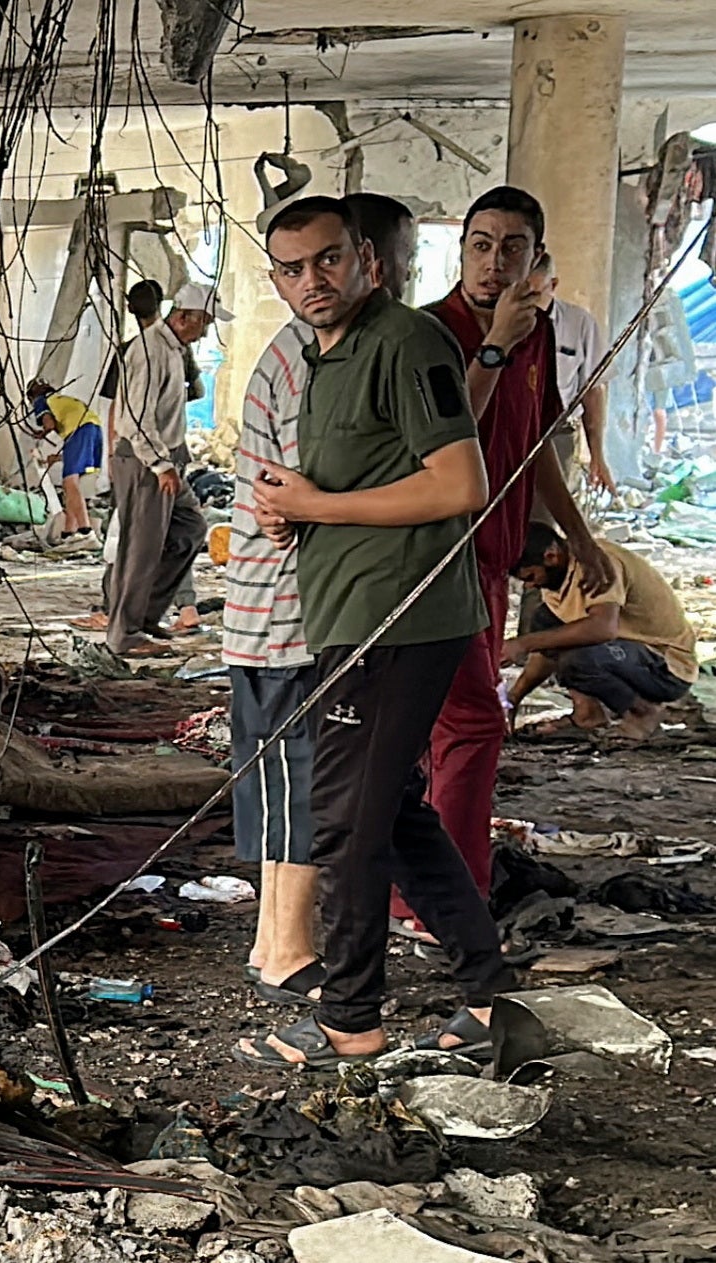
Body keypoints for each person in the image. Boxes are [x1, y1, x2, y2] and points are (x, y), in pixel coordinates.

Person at [240, 194, 515, 1071]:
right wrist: (298, 515)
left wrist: (320, 505)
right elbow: (362, 478)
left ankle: (349, 1019)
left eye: (326, 260)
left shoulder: (406, 343)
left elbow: (459, 484)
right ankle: (487, 992)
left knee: (347, 828)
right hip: (349, 614)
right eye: (291, 268)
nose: (311, 280)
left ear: (366, 257)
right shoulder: (329, 357)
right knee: (391, 817)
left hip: (400, 620)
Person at [417, 184, 613, 908]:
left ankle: (435, 888)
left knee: (451, 728)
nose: (494, 262)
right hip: (436, 560)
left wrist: (582, 539)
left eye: (511, 248)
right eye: (480, 244)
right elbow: (449, 430)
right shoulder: (429, 332)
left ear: (538, 259)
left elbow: (534, 448)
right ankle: (444, 899)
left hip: (495, 559)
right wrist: (493, 344)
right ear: (459, 250)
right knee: (470, 723)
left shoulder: (536, 336)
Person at [220, 249, 322, 1006]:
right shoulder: (304, 361)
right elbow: (286, 502)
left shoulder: (298, 354)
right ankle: (286, 950)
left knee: (282, 782)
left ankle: (271, 942)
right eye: (294, 268)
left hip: (268, 615)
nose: (313, 281)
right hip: (281, 617)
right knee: (294, 785)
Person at [98, 280, 226, 649]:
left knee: (189, 529)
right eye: (204, 323)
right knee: (140, 548)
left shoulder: (173, 349)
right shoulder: (149, 349)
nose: (204, 332)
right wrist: (158, 464)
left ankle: (147, 616)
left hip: (167, 455)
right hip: (145, 460)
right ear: (185, 317)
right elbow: (136, 417)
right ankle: (125, 632)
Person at [504, 525, 694, 740]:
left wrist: (523, 644)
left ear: (551, 556)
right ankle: (587, 714)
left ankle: (643, 712)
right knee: (545, 622)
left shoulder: (597, 563)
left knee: (576, 659)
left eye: (530, 576)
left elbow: (602, 628)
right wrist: (513, 698)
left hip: (665, 668)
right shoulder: (560, 575)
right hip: (628, 654)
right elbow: (544, 653)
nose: (530, 586)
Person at [546, 295, 614, 492]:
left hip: (557, 433)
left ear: (552, 285)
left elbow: (592, 390)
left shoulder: (577, 322)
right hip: (508, 432)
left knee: (547, 513)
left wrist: (597, 455)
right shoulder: (501, 321)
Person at [24, 377, 103, 537]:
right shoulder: (62, 400)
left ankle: (84, 531)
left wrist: (42, 433)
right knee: (72, 484)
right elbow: (78, 452)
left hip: (79, 431)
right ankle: (69, 531)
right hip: (94, 429)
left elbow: (50, 424)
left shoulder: (42, 401)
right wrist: (60, 457)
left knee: (69, 482)